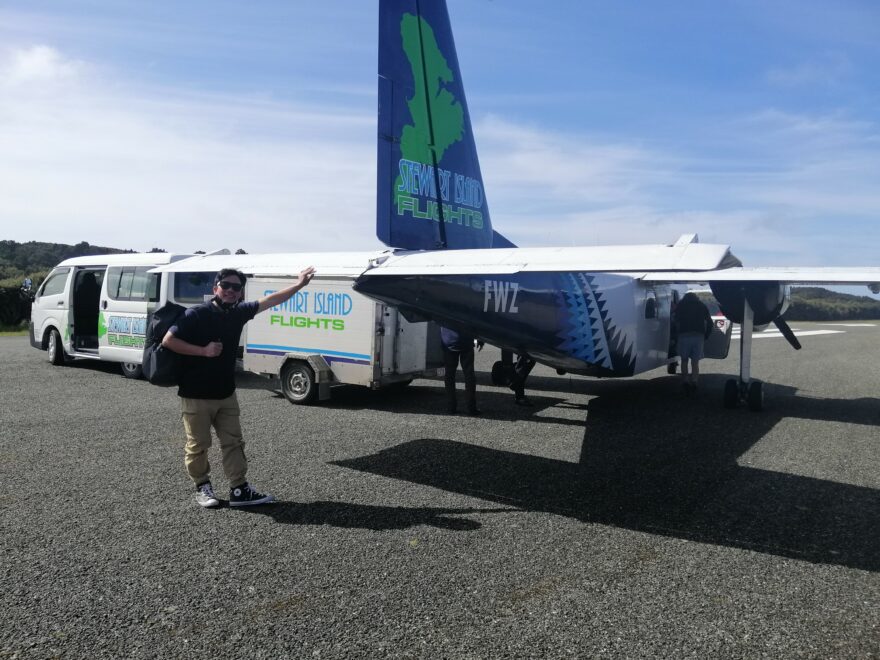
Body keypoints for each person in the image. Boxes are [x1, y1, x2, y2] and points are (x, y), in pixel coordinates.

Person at [163, 266, 315, 508]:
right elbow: (169, 341)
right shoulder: (196, 314)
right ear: (216, 288)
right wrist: (203, 351)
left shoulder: (239, 312)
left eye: (236, 287)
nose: (231, 291)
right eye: (226, 286)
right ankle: (202, 487)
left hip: (226, 393)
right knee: (198, 445)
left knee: (233, 442)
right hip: (195, 394)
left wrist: (298, 285)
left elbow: (271, 300)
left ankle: (238, 489)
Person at [673, 291, 714, 395]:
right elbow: (709, 322)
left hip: (684, 335)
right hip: (698, 336)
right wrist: (706, 335)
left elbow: (675, 321)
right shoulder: (701, 305)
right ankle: (695, 381)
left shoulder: (681, 306)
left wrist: (676, 335)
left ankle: (685, 380)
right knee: (695, 362)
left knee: (684, 360)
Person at [440, 326, 482, 416]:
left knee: (449, 375)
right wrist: (481, 339)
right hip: (466, 341)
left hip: (448, 341)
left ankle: (451, 407)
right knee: (469, 375)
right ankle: (471, 408)